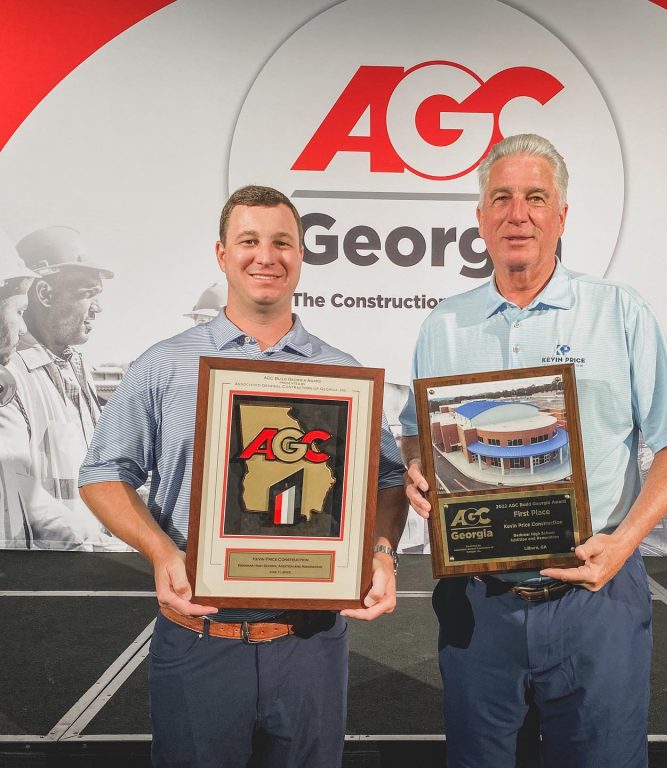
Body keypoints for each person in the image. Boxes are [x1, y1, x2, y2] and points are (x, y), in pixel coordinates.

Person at [400, 134, 667, 768]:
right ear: (480, 216)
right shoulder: (444, 324)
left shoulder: (618, 311)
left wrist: (623, 544)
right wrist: (418, 468)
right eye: (502, 198)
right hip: (480, 601)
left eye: (536, 198)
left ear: (561, 215)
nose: (519, 214)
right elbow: (414, 431)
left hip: (597, 597)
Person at [79, 186, 407, 768]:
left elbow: (386, 478)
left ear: (302, 256)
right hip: (200, 638)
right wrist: (159, 551)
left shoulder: (342, 373)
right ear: (221, 253)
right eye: (249, 241)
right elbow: (103, 473)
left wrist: (382, 551)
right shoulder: (165, 363)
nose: (266, 256)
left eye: (282, 242)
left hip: (310, 641)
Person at [3, 225, 115, 549]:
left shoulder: (76, 368)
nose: (99, 307)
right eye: (88, 293)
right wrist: (113, 551)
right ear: (44, 294)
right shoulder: (10, 376)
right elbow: (27, 503)